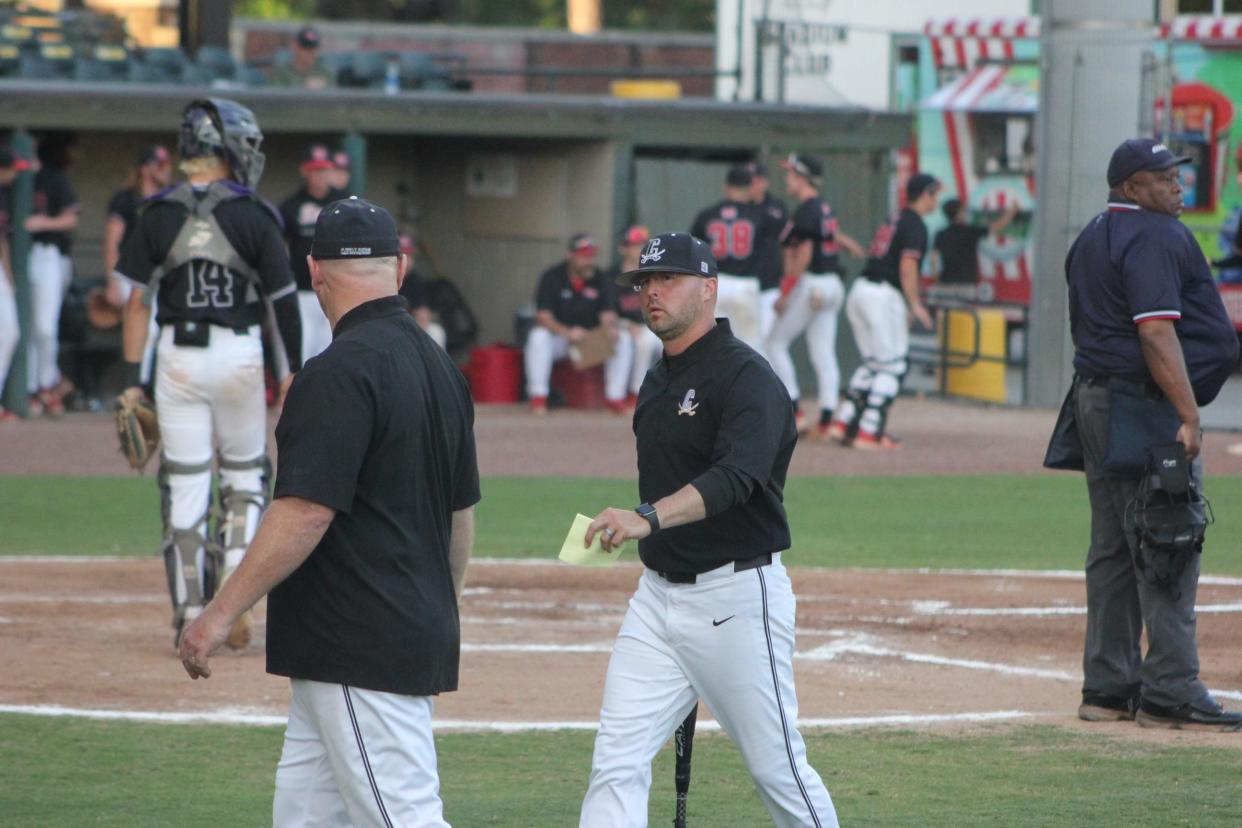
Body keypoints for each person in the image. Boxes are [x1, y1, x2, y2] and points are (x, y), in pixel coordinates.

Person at [179, 196, 481, 826]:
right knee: (306, 818)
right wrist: (437, 608)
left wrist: (218, 613)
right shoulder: (441, 368)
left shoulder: (336, 372)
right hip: (383, 636)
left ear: (315, 274)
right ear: (398, 269)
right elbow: (460, 514)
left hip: (356, 641)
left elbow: (305, 512)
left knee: (404, 817)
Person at [579, 231, 837, 827]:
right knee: (615, 762)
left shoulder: (748, 378)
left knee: (779, 770)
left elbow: (736, 478)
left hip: (737, 598)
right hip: (656, 602)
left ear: (709, 289)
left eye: (667, 279)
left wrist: (645, 518)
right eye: (644, 283)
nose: (652, 293)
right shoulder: (657, 375)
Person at [1063, 138, 1241, 732]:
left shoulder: (1092, 233)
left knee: (1114, 545)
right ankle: (1170, 690)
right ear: (1131, 187)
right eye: (1164, 179)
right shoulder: (1156, 235)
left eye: (1177, 176)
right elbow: (1157, 333)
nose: (1177, 187)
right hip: (1143, 407)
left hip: (1098, 398)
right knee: (1167, 539)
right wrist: (1188, 414)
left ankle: (1108, 687)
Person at [116, 98, 303, 651]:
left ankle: (188, 611)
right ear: (227, 149)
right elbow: (283, 302)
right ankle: (234, 601)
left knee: (186, 480)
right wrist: (291, 371)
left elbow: (134, 305)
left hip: (177, 358)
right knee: (245, 476)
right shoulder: (256, 214)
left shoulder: (157, 213)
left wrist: (133, 377)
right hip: (239, 356)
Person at [827, 173, 940, 450]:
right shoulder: (915, 223)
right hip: (882, 295)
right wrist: (914, 304)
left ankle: (844, 422)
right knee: (893, 365)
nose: (936, 200)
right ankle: (868, 431)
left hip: (861, 289)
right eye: (934, 194)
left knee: (873, 363)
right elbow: (907, 266)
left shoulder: (895, 218)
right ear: (925, 194)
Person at [766, 153, 865, 437]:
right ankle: (827, 418)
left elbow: (805, 251)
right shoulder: (822, 207)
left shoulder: (806, 209)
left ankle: (795, 411)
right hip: (833, 286)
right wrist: (847, 243)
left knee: (775, 343)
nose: (787, 180)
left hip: (814, 285)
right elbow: (828, 235)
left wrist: (786, 291)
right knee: (823, 351)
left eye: (790, 175)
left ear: (802, 177)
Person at [525, 232, 631, 415]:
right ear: (570, 255)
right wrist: (566, 332)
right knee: (538, 337)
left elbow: (608, 313)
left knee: (623, 338)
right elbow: (542, 316)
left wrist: (610, 328)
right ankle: (538, 398)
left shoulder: (600, 278)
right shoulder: (553, 276)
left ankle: (615, 398)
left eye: (590, 255)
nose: (588, 260)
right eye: (583, 255)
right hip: (561, 341)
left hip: (588, 343)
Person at [690, 165, 783, 352]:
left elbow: (693, 251)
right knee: (750, 347)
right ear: (750, 187)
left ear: (726, 186)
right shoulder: (761, 215)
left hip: (716, 284)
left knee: (713, 344)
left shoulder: (707, 215)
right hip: (746, 285)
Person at [24, 135, 79, 418]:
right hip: (22, 257)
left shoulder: (54, 178)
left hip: (49, 254)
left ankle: (46, 384)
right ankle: (32, 388)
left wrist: (42, 222)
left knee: (45, 326)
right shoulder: (15, 178)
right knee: (28, 327)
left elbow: (71, 218)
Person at [278, 143, 346, 365]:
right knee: (301, 354)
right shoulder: (291, 205)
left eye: (324, 170)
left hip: (335, 289)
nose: (319, 176)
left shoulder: (344, 203)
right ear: (305, 171)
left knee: (332, 354)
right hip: (302, 290)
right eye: (314, 170)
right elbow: (280, 244)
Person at [103, 145, 173, 309]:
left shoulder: (171, 201)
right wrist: (112, 283)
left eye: (168, 164)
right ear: (145, 169)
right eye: (161, 165)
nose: (167, 170)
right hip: (130, 275)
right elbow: (111, 244)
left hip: (162, 274)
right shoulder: (125, 200)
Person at [608, 223, 659, 407]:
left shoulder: (654, 274)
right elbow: (606, 312)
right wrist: (624, 324)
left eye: (644, 245)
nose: (640, 250)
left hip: (649, 327)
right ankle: (615, 397)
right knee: (623, 339)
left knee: (648, 340)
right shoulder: (610, 276)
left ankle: (636, 393)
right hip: (620, 327)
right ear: (623, 248)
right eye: (636, 245)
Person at [0, 146, 32, 423]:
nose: (15, 175)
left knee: (10, 333)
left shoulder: (5, 197)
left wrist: (7, 274)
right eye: (12, 169)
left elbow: (3, 240)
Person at [930, 197, 1018, 292]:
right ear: (959, 213)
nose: (966, 212)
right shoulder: (970, 231)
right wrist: (1012, 211)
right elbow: (998, 225)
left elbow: (933, 258)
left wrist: (936, 278)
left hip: (945, 282)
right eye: (963, 210)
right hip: (965, 284)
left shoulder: (941, 234)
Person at [748, 159, 789, 350]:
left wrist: (786, 286)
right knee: (748, 342)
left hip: (771, 286)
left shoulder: (777, 207)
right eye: (749, 180)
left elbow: (791, 246)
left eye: (756, 179)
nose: (753, 184)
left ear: (765, 182)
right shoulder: (741, 207)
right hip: (746, 285)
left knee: (765, 342)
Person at [397, 233, 447, 348]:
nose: (406, 261)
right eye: (401, 256)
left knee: (436, 332)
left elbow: (423, 316)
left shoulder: (416, 281)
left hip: (408, 329)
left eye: (410, 256)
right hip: (383, 327)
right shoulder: (383, 278)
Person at [268, 24, 335, 90]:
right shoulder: (281, 73)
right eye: (305, 47)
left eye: (313, 47)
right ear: (294, 46)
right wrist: (304, 87)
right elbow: (276, 98)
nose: (311, 52)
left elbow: (333, 95)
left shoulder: (324, 72)